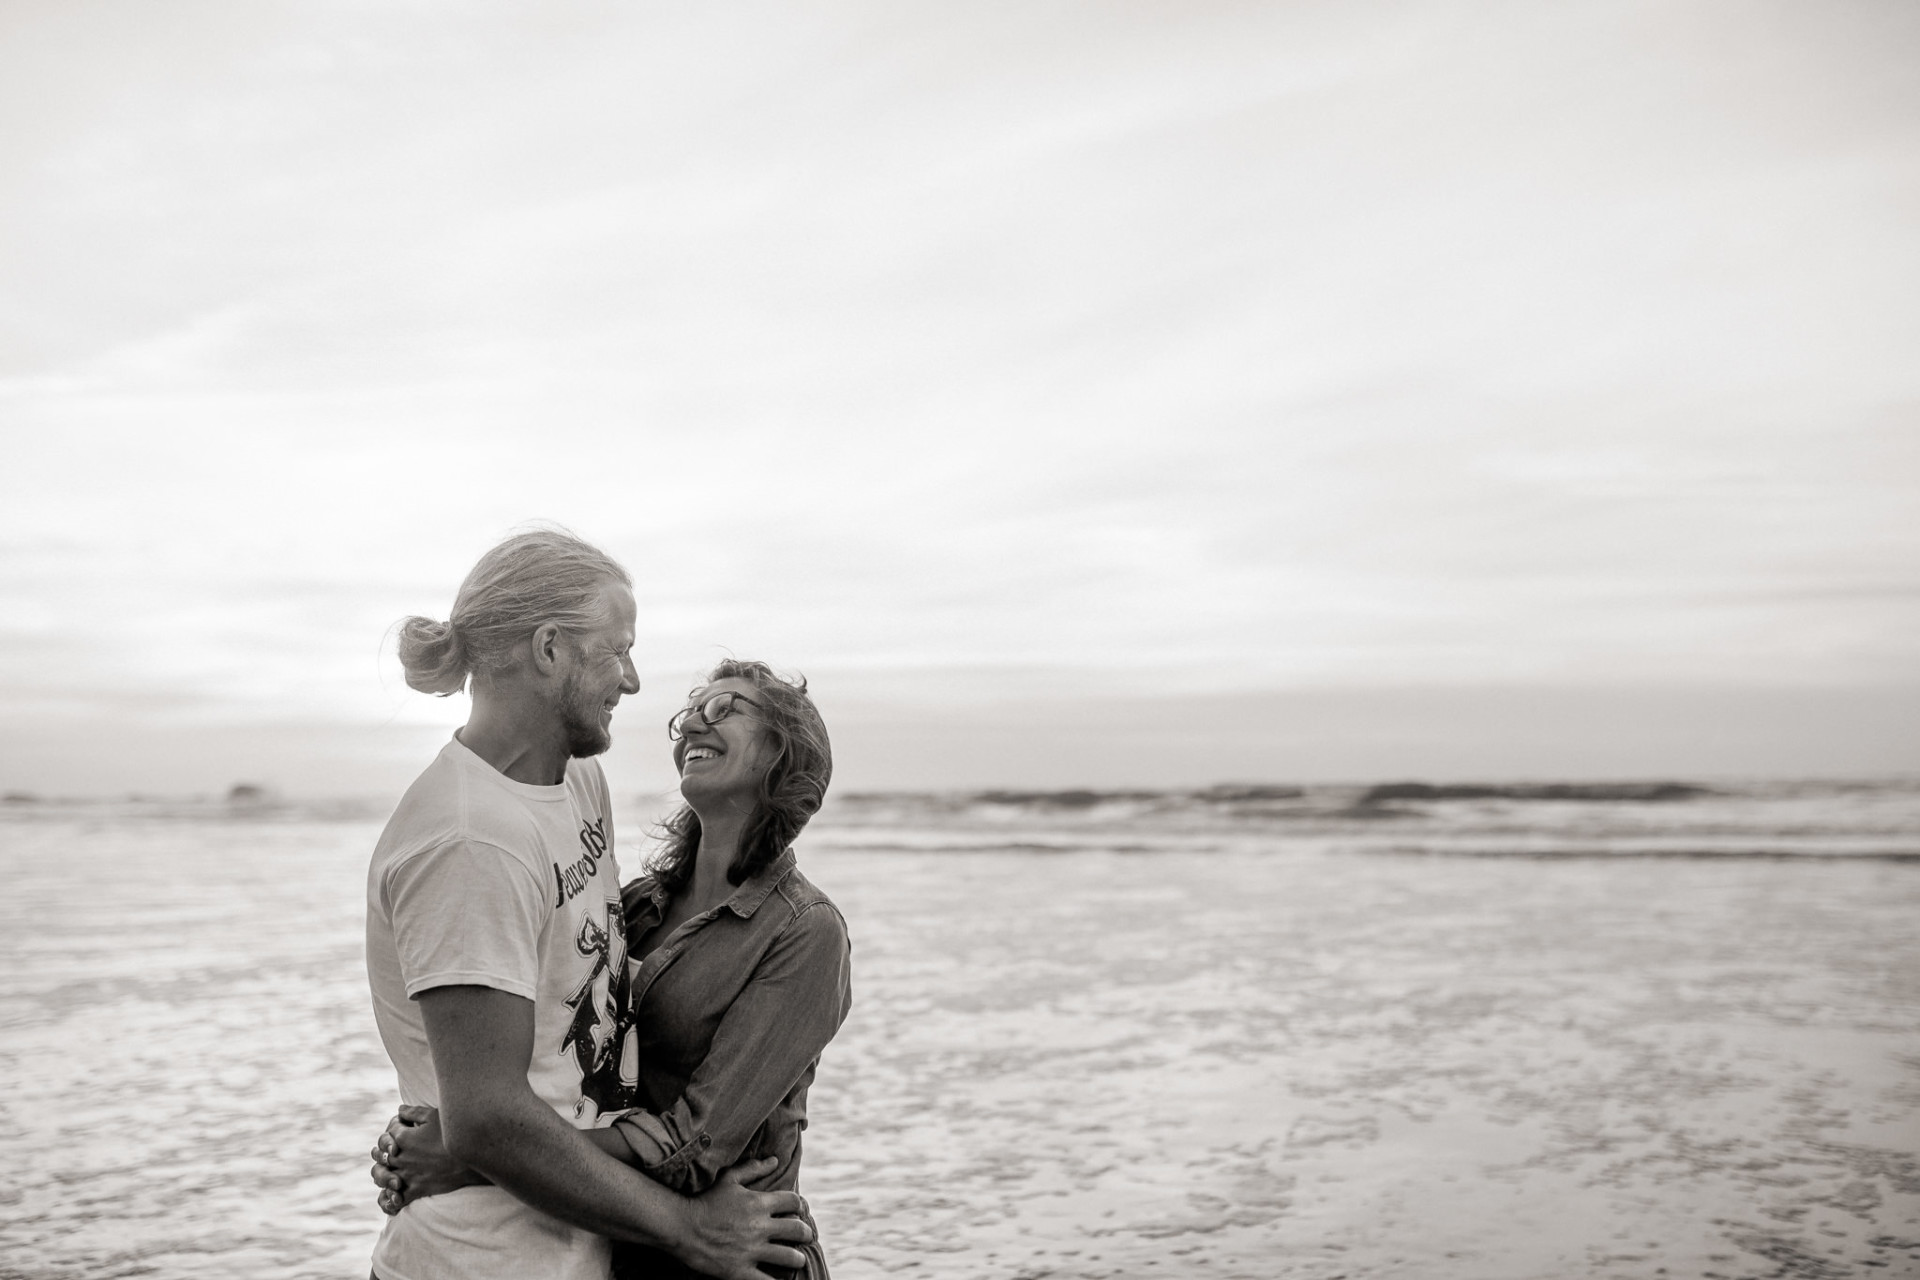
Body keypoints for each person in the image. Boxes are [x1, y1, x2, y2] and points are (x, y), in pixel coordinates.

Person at [364, 531, 814, 1280]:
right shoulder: (470, 840)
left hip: (579, 1252)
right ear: (550, 650)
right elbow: (486, 1120)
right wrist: (688, 1231)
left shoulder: (575, 785)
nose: (632, 681)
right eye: (617, 648)